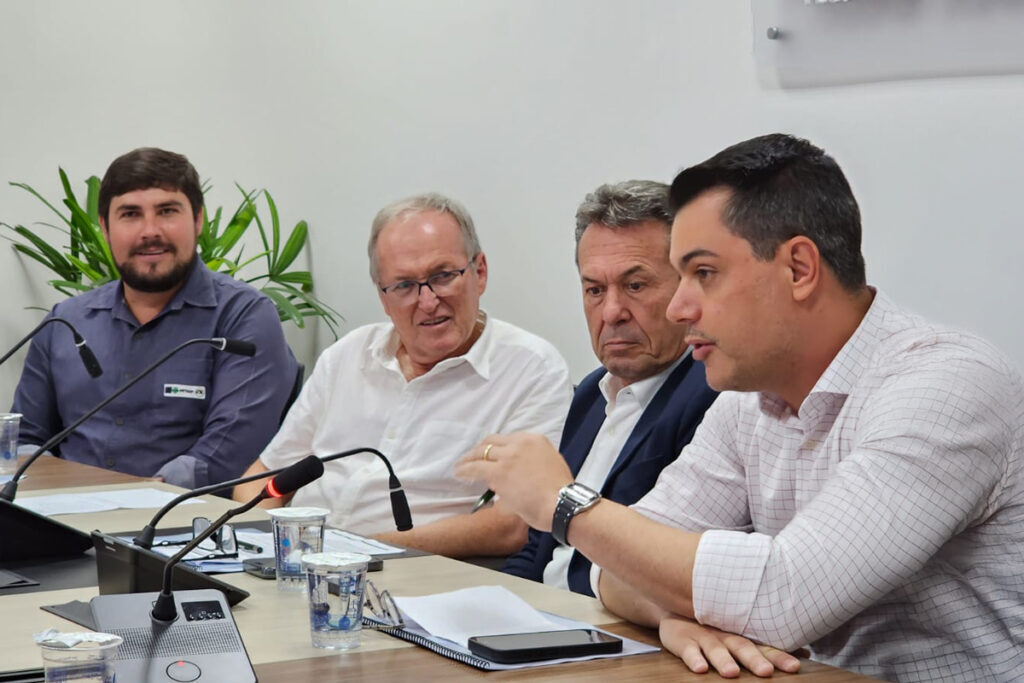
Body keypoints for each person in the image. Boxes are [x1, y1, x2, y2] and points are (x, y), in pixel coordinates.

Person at [456, 134, 1024, 681]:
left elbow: (784, 596)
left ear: (800, 268)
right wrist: (674, 618)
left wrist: (564, 504)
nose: (679, 307)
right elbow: (618, 567)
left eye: (703, 274)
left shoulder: (948, 384)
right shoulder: (750, 399)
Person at [234, 193, 572, 558]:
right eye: (404, 286)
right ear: (383, 297)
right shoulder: (349, 355)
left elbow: (511, 525)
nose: (427, 301)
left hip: (415, 579)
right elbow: (267, 477)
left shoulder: (531, 369)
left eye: (443, 276)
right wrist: (259, 550)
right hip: (299, 564)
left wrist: (354, 553)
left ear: (480, 272)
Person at [12, 147, 298, 488]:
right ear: (105, 227)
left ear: (197, 220)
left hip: (181, 529)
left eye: (166, 211)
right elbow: (25, 440)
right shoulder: (65, 322)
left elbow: (224, 458)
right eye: (130, 214)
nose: (150, 231)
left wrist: (127, 503)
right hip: (61, 522)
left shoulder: (243, 317)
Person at [502, 180, 717, 595]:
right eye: (594, 290)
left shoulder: (710, 396)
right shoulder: (589, 394)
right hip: (547, 623)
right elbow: (538, 551)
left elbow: (670, 570)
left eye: (635, 286)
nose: (612, 311)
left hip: (620, 631)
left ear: (687, 287)